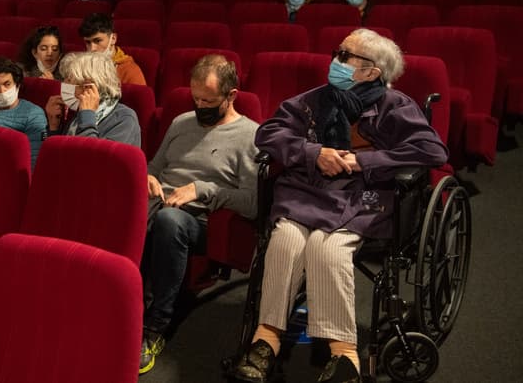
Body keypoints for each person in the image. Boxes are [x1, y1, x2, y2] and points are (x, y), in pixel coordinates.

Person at [230, 29, 448, 383]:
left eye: (345, 56)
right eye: (338, 53)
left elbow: (432, 151)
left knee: (326, 250)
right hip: (307, 192)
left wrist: (366, 162)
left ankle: (344, 355)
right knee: (285, 241)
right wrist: (315, 153)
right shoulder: (315, 99)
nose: (336, 61)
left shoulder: (396, 107)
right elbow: (269, 133)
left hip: (362, 200)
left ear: (372, 71)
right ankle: (265, 340)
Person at [140, 54, 260, 374]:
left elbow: (253, 202)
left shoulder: (249, 135)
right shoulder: (181, 123)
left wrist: (202, 190)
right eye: (195, 98)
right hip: (158, 202)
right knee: (133, 211)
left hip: (200, 219)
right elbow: (155, 166)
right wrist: (149, 177)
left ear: (231, 95)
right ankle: (120, 306)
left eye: (208, 100)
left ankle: (155, 326)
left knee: (169, 221)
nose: (199, 105)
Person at [44, 51, 140, 147]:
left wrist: (87, 115)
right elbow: (58, 153)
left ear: (89, 88)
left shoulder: (124, 118)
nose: (64, 84)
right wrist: (54, 126)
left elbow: (92, 157)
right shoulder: (76, 112)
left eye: (69, 80)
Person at [0, 58, 47, 169]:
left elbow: (34, 161)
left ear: (17, 84)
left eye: (7, 84)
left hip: (10, 171)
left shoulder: (34, 114)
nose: (3, 91)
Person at [78, 13, 147, 86]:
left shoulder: (130, 71)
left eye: (97, 41)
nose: (92, 49)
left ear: (113, 39)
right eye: (88, 42)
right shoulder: (80, 66)